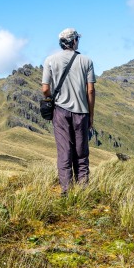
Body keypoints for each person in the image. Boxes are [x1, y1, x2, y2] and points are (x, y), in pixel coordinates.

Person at [41, 28, 96, 194]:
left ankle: (66, 191)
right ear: (74, 41)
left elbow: (45, 89)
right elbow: (91, 91)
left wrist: (53, 100)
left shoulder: (50, 60)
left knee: (64, 152)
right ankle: (83, 190)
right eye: (77, 39)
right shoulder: (86, 61)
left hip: (60, 112)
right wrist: (91, 115)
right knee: (81, 153)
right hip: (82, 112)